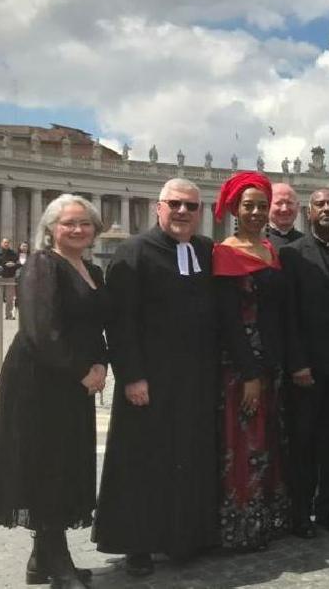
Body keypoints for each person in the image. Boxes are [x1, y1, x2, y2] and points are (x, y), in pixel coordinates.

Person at [94, 179, 220, 577]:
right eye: (175, 204)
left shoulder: (205, 250)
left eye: (191, 206)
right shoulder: (133, 253)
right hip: (149, 379)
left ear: (201, 212)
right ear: (158, 208)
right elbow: (121, 322)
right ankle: (137, 544)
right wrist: (131, 376)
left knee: (188, 455)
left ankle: (184, 538)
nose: (183, 212)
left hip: (195, 378)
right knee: (142, 460)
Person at [0, 194, 107, 589]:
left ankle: (41, 561)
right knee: (47, 467)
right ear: (50, 229)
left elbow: (95, 325)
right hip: (39, 381)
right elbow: (40, 330)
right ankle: (57, 563)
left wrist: (101, 364)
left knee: (63, 465)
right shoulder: (42, 264)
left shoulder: (92, 268)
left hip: (72, 382)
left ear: (95, 229)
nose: (77, 229)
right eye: (68, 223)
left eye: (84, 223)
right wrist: (82, 370)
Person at [212, 171, 309, 550]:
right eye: (248, 206)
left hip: (273, 363)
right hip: (241, 366)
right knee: (243, 444)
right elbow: (229, 322)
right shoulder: (223, 252)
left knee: (269, 441)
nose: (256, 212)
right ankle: (241, 526)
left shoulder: (271, 250)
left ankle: (267, 519)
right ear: (235, 208)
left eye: (261, 206)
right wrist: (249, 372)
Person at [279, 189, 329, 538]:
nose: (327, 209)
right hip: (307, 368)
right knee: (303, 443)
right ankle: (299, 514)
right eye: (320, 205)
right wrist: (297, 363)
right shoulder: (292, 255)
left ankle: (328, 510)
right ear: (308, 213)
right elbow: (289, 315)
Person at [266, 182, 304, 248]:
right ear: (268, 206)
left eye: (289, 203)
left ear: (298, 207)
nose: (284, 209)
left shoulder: (309, 243)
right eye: (279, 203)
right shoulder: (256, 241)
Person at [0, 238, 19, 319]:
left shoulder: (13, 253)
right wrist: (2, 265)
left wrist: (13, 265)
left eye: (7, 242)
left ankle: (8, 315)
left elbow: (18, 264)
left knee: (9, 298)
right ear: (1, 243)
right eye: (4, 242)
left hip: (10, 277)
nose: (6, 244)